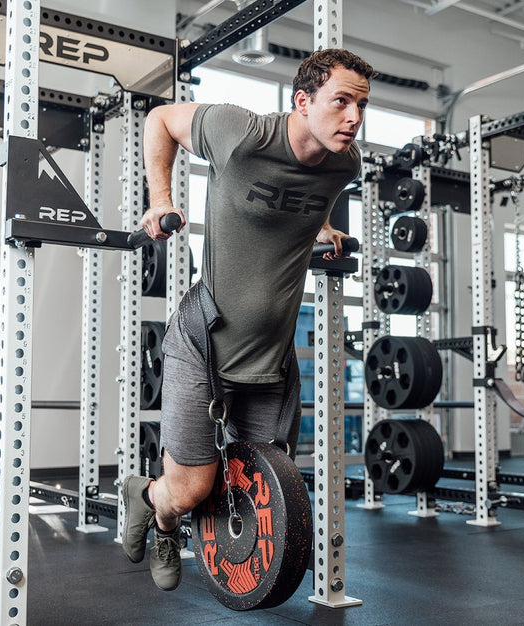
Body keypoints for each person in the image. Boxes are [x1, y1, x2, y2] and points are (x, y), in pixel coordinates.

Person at [122, 48, 374, 592]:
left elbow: (312, 192)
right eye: (343, 102)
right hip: (206, 342)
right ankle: (153, 506)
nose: (354, 117)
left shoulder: (343, 163)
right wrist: (160, 198)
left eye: (362, 105)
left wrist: (324, 226)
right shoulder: (241, 133)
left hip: (271, 356)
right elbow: (160, 118)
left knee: (259, 482)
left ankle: (174, 511)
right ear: (303, 101)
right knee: (191, 491)